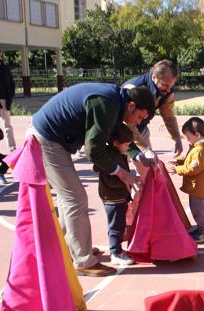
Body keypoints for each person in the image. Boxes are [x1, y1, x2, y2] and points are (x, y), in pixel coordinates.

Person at [32, 83, 155, 277]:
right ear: (131, 106)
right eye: (139, 117)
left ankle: (70, 246)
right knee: (76, 199)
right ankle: (83, 261)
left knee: (68, 200)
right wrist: (122, 173)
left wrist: (138, 155)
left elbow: (117, 136)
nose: (136, 122)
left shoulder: (116, 102)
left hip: (54, 136)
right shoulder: (107, 104)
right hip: (48, 138)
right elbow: (94, 150)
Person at [123, 60, 183, 165]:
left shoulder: (167, 91)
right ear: (154, 77)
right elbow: (128, 123)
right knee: (120, 170)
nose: (169, 90)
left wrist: (177, 137)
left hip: (141, 129)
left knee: (150, 167)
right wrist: (145, 149)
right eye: (165, 85)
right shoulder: (133, 90)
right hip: (122, 131)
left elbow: (168, 115)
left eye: (171, 85)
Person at [168, 117, 204, 243]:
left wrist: (178, 169)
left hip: (199, 186)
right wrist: (179, 161)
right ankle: (201, 228)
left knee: (198, 209)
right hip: (195, 185)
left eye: (188, 137)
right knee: (195, 208)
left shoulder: (200, 150)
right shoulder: (197, 146)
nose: (187, 139)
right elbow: (190, 160)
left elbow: (193, 168)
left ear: (197, 134)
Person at [94, 123, 136, 266]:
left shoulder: (118, 154)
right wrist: (129, 181)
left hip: (118, 197)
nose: (127, 148)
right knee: (116, 226)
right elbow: (111, 181)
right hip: (113, 198)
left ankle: (117, 249)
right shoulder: (110, 159)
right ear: (116, 143)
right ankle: (115, 253)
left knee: (119, 224)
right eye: (126, 145)